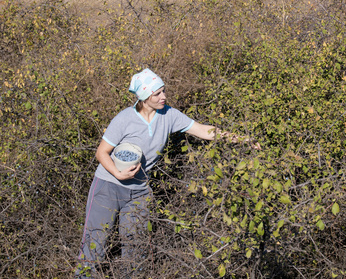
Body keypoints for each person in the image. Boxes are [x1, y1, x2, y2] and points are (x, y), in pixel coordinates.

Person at [75, 68, 260, 278]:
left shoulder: (169, 114)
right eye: (157, 93)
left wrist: (242, 139)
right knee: (94, 243)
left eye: (163, 91)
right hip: (107, 187)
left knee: (137, 249)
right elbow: (101, 153)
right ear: (144, 97)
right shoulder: (124, 119)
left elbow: (202, 130)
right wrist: (118, 175)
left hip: (139, 192)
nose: (164, 97)